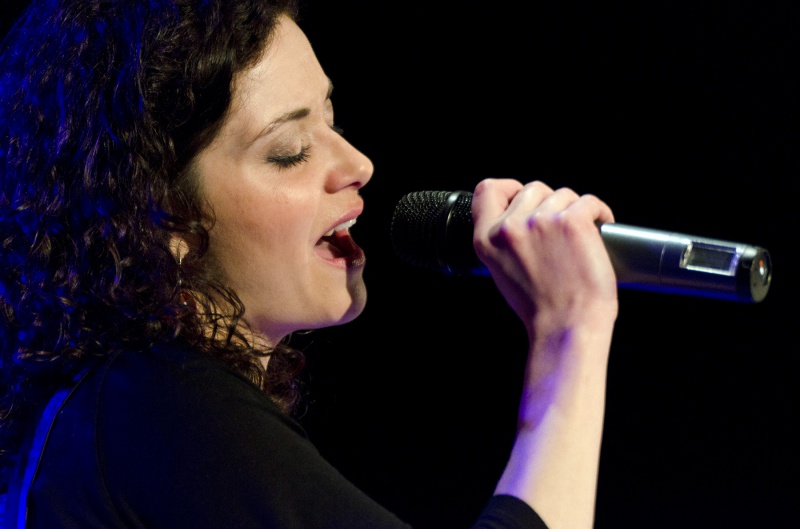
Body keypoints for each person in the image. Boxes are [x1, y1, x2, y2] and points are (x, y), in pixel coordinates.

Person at [0, 0, 618, 527]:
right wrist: (572, 332)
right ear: (162, 221)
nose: (359, 164)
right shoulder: (156, 408)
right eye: (290, 151)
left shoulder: (117, 408)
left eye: (332, 119)